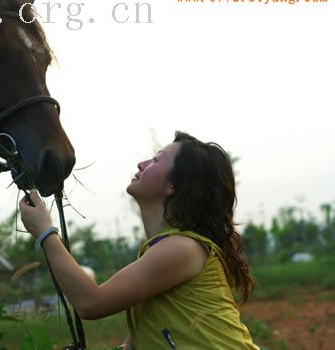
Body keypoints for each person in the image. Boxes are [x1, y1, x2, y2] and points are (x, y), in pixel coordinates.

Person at [19, 131, 259, 349]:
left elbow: (91, 303)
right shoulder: (163, 252)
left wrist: (45, 232)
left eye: (156, 160)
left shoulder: (183, 249)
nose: (141, 164)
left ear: (174, 185)